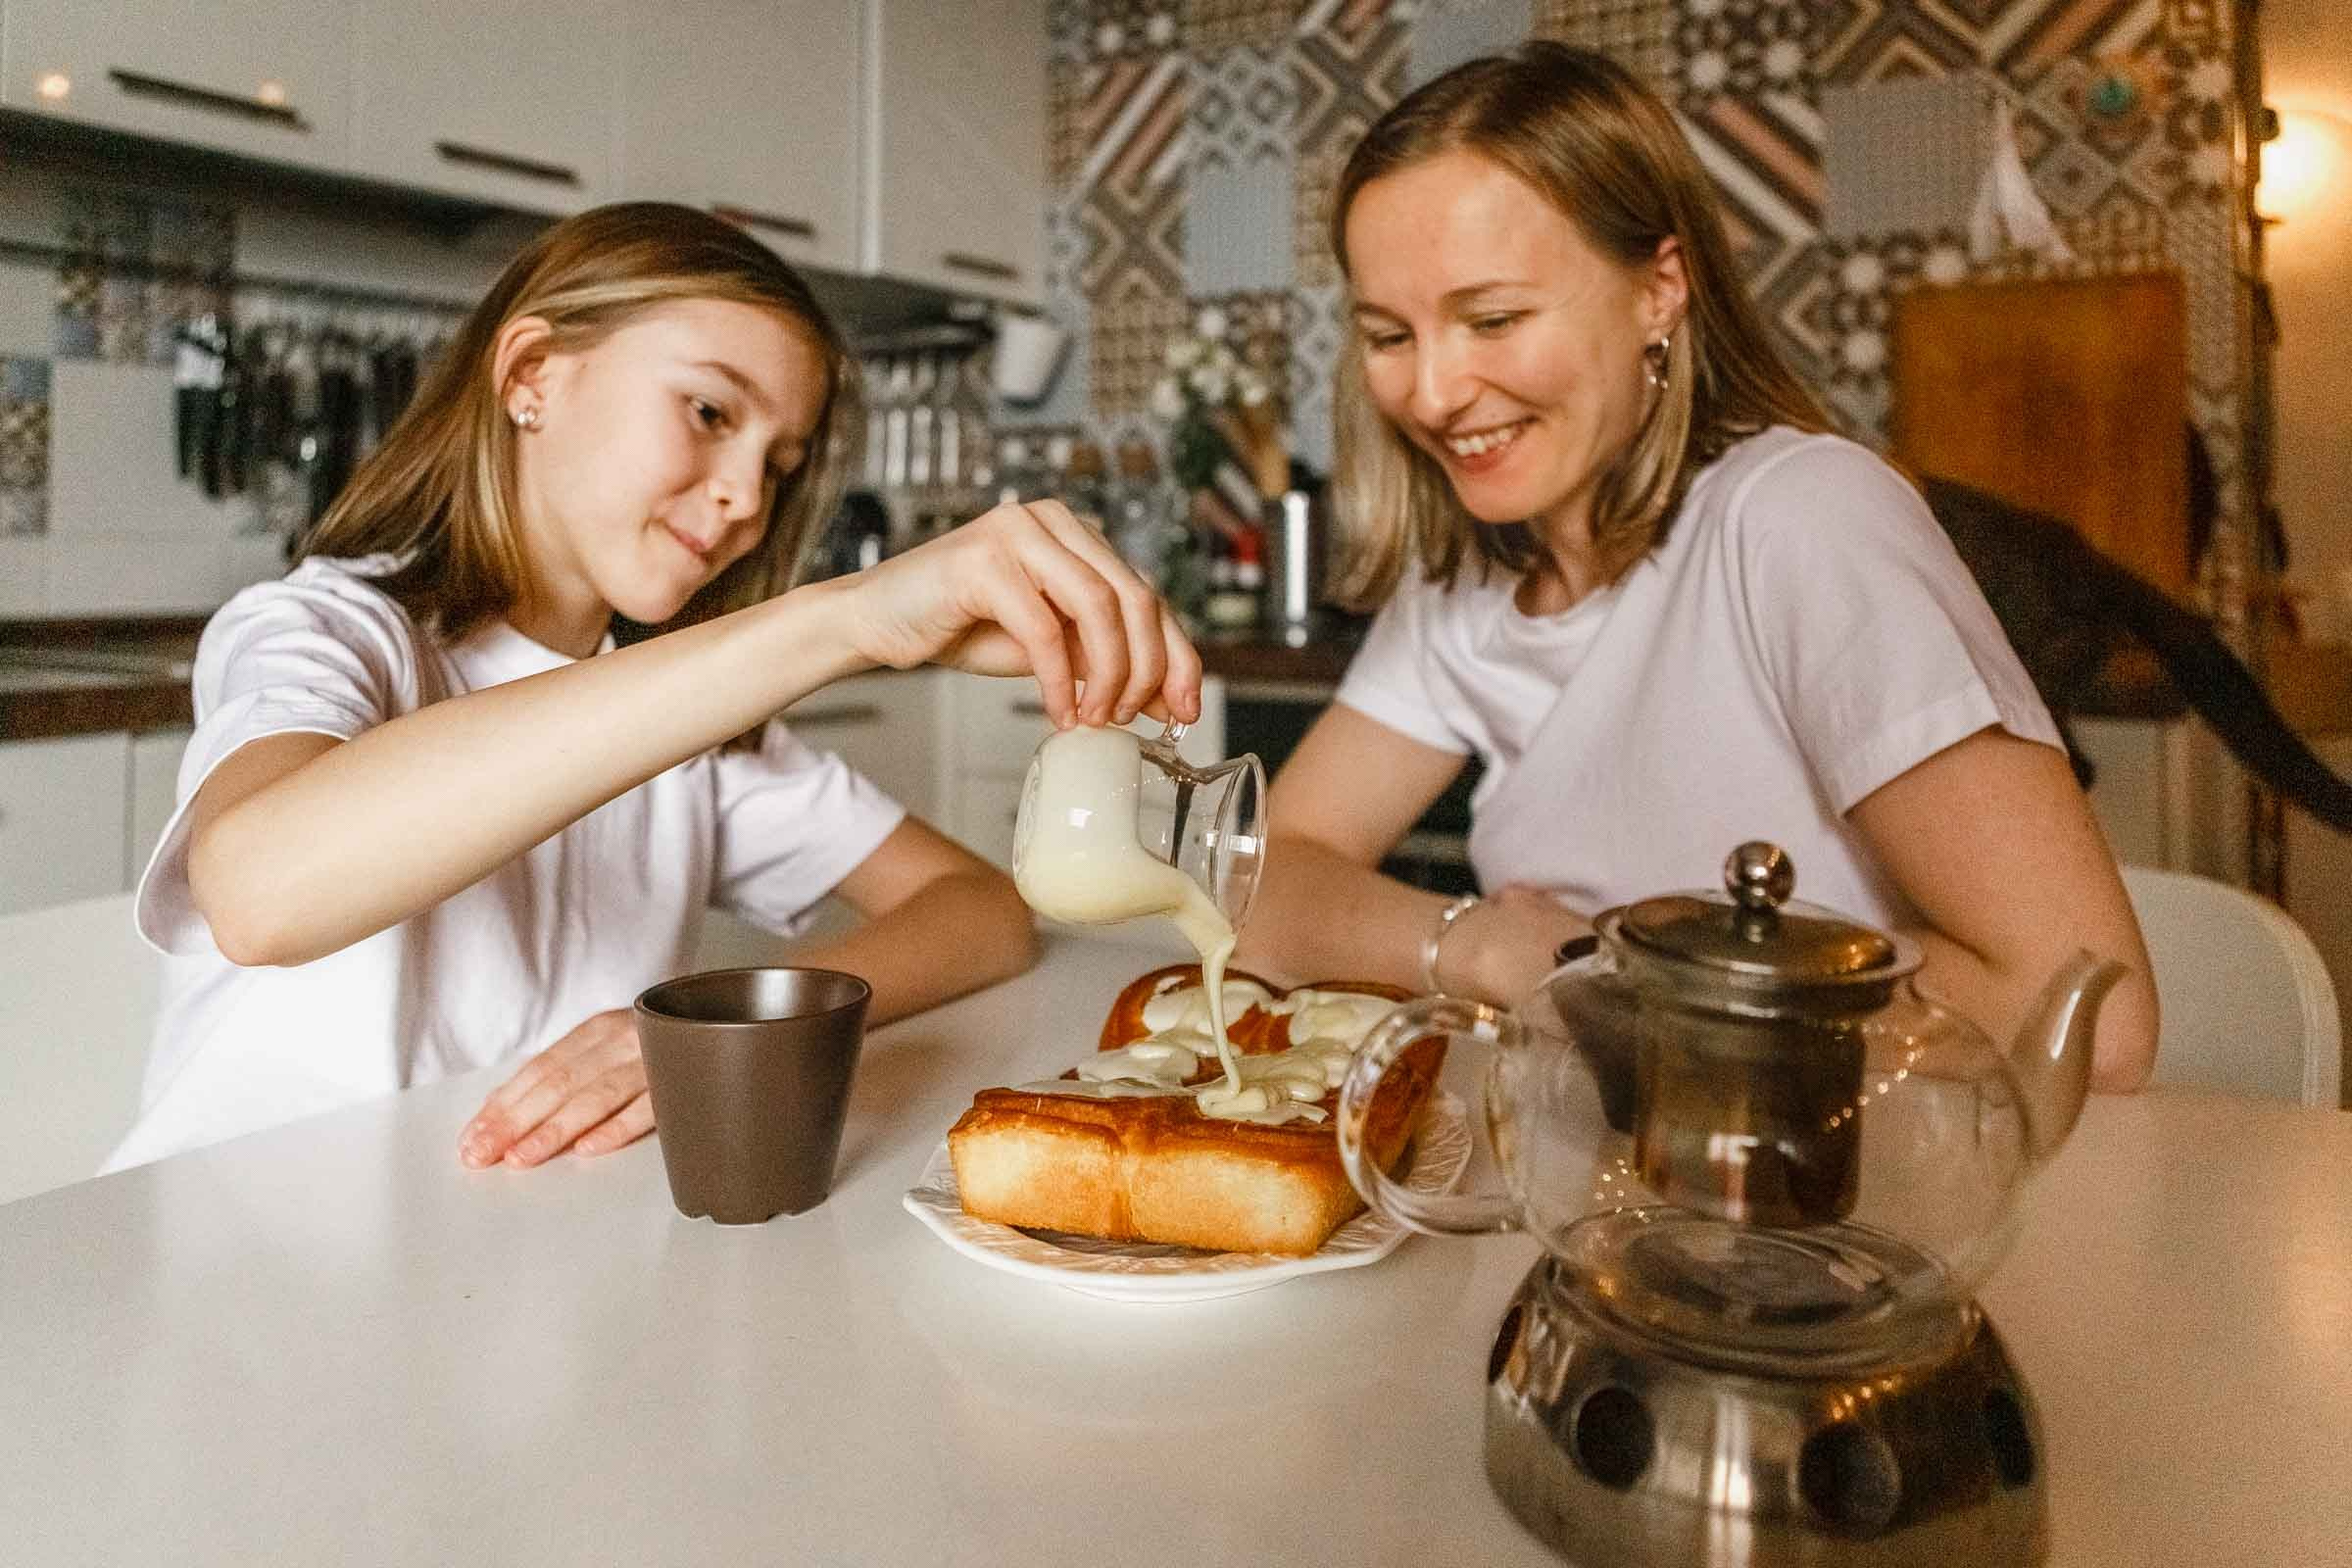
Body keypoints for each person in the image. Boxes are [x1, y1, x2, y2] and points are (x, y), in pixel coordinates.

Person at [109, 202, 1200, 1174]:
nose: (743, 499)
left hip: (498, 1272)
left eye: (779, 464)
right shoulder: (324, 631)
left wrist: (731, 1018)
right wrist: (842, 617)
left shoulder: (699, 728)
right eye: (711, 414)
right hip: (236, 1278)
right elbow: (260, 894)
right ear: (533, 374)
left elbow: (982, 913)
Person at [1234, 44, 2158, 1091]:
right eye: (1389, 334)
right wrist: (1481, 946)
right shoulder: (1464, 584)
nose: (1436, 391)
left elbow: (2098, 1016)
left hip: (1838, 1190)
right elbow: (1260, 883)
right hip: (1592, 1165)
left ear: (1658, 291)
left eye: (1493, 319)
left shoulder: (1801, 520)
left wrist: (1625, 975)